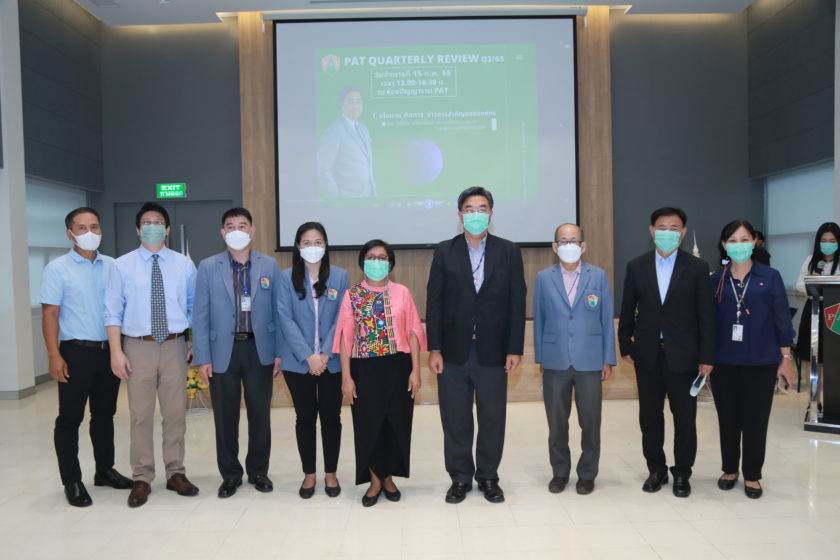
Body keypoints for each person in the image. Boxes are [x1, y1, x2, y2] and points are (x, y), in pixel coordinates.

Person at [426, 186, 527, 504]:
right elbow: (434, 302)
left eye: (482, 208)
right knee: (455, 418)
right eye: (469, 209)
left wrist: (515, 348)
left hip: (493, 351)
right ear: (460, 215)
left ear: (491, 214)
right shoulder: (444, 251)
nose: (475, 214)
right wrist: (434, 348)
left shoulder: (509, 251)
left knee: (492, 417)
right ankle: (459, 477)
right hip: (453, 352)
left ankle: (488, 476)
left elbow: (517, 302)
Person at [104, 202, 199, 508]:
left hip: (175, 345)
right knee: (140, 415)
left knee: (175, 414)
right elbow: (112, 312)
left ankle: (175, 472)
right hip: (138, 346)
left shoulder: (184, 265)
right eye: (146, 222)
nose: (152, 226)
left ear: (167, 229)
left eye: (158, 222)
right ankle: (142, 477)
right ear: (137, 229)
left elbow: (196, 306)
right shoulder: (121, 266)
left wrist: (194, 342)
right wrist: (116, 352)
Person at [617, 207, 715, 498]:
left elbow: (706, 317)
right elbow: (627, 310)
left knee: (684, 418)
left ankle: (682, 472)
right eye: (662, 227)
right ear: (652, 231)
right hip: (647, 355)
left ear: (683, 234)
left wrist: (707, 357)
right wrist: (626, 346)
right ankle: (656, 469)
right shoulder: (636, 266)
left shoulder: (697, 268)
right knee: (649, 417)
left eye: (674, 228)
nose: (667, 233)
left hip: (684, 356)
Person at [39, 207, 132, 507]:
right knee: (70, 418)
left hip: (109, 352)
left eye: (94, 226)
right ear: (70, 234)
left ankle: (105, 471)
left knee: (104, 415)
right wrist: (54, 355)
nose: (89, 232)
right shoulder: (57, 269)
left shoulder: (114, 266)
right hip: (75, 352)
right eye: (81, 228)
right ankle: (72, 481)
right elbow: (50, 314)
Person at [192, 207, 283, 499]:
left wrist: (279, 352)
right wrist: (202, 357)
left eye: (242, 225)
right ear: (223, 233)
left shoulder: (269, 265)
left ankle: (258, 471)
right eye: (230, 226)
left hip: (259, 349)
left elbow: (278, 312)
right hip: (222, 351)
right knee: (225, 417)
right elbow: (200, 314)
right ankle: (230, 475)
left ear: (252, 231)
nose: (236, 230)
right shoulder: (208, 266)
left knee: (260, 415)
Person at [334, 239, 426, 507]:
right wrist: (346, 377)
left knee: (395, 424)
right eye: (371, 257)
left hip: (398, 366)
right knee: (369, 425)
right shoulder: (352, 295)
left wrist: (415, 370)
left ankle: (388, 478)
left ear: (390, 263)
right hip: (364, 369)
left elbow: (413, 332)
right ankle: (375, 480)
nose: (377, 262)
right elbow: (345, 337)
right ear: (362, 263)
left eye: (382, 257)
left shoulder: (402, 292)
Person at [710, 219, 795, 499]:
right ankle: (729, 469)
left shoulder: (770, 277)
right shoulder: (716, 280)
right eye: (732, 241)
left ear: (754, 242)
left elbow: (782, 320)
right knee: (728, 419)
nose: (739, 245)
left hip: (761, 361)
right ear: (724, 245)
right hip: (724, 362)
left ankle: (752, 474)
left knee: (756, 420)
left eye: (744, 239)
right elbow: (707, 323)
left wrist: (786, 358)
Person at [533, 223, 616, 495]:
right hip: (555, 360)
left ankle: (587, 473)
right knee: (556, 423)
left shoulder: (598, 276)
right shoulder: (543, 278)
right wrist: (541, 357)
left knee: (590, 422)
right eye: (563, 240)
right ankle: (560, 472)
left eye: (574, 240)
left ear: (583, 246)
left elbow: (606, 319)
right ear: (555, 247)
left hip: (590, 361)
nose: (569, 245)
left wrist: (607, 359)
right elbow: (539, 318)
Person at [277, 222, 349, 499]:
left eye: (318, 242)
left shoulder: (340, 276)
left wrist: (325, 354)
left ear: (326, 245)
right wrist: (309, 356)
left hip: (332, 361)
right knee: (305, 418)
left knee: (331, 417)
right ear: (298, 247)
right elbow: (285, 318)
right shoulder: (285, 278)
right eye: (306, 242)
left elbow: (343, 317)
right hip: (298, 362)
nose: (313, 247)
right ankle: (309, 474)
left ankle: (331, 473)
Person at [793, 222, 839, 405]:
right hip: (813, 310)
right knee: (812, 358)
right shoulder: (811, 260)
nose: (828, 244)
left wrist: (827, 282)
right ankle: (814, 402)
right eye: (824, 240)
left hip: (835, 312)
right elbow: (799, 285)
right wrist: (812, 281)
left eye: (832, 241)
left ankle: (833, 403)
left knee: (834, 359)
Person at [316, 85, 376, 197]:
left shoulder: (364, 129)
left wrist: (373, 190)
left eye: (358, 101)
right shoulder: (334, 131)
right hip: (346, 198)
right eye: (350, 102)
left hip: (368, 197)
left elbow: (367, 164)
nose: (355, 106)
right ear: (341, 104)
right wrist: (335, 196)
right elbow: (322, 168)